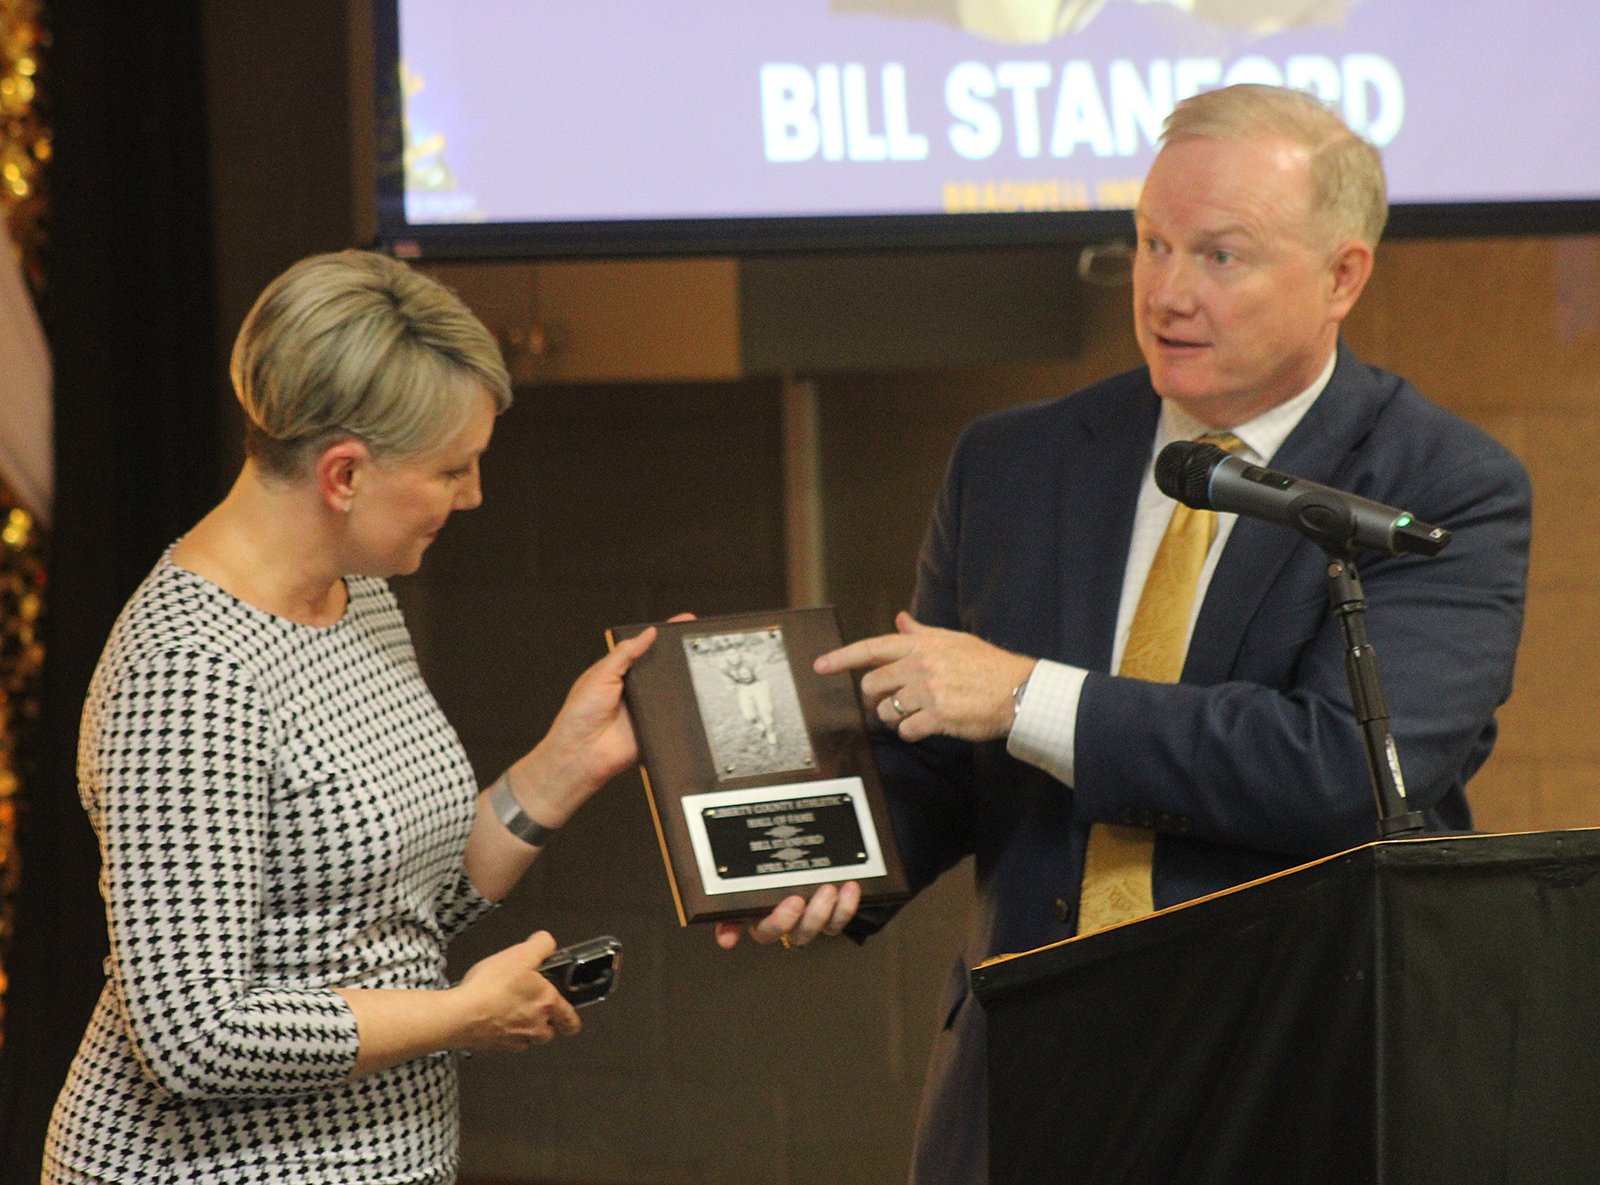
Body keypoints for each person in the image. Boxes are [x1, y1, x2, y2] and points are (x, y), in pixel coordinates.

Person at [731, 84, 1533, 1185]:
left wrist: (1026, 697)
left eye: (1219, 257)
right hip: (1028, 1079)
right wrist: (814, 860)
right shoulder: (1012, 461)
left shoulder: (1439, 486)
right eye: (1150, 244)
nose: (1165, 293)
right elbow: (940, 766)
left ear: (1343, 275)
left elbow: (1339, 766)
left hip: (1290, 1085)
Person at [42, 250, 661, 1184]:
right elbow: (192, 1035)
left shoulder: (354, 594)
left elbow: (405, 907)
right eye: (453, 468)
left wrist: (566, 762)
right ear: (343, 473)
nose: (473, 495)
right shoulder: (190, 671)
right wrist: (461, 1014)